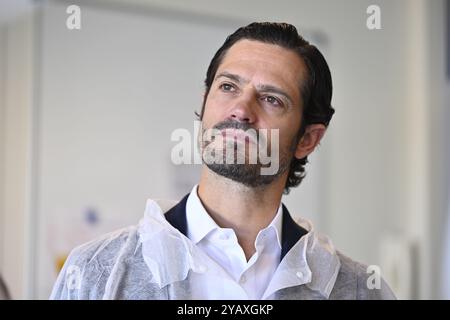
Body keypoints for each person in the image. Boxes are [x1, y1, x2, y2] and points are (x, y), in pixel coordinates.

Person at [50, 22, 396, 300]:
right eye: (229, 87)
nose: (241, 110)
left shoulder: (359, 291)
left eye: (272, 99)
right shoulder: (96, 272)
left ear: (307, 139)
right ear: (205, 102)